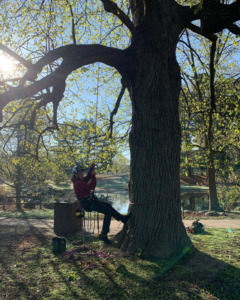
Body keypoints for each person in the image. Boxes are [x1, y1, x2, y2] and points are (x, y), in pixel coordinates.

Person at [71, 163, 132, 244]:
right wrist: (93, 176)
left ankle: (122, 218)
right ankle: (104, 235)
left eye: (82, 173)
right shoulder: (78, 183)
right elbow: (91, 186)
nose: (82, 175)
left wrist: (91, 169)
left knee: (108, 206)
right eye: (80, 173)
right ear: (76, 174)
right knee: (108, 212)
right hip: (89, 204)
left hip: (91, 202)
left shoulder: (79, 180)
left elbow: (87, 177)